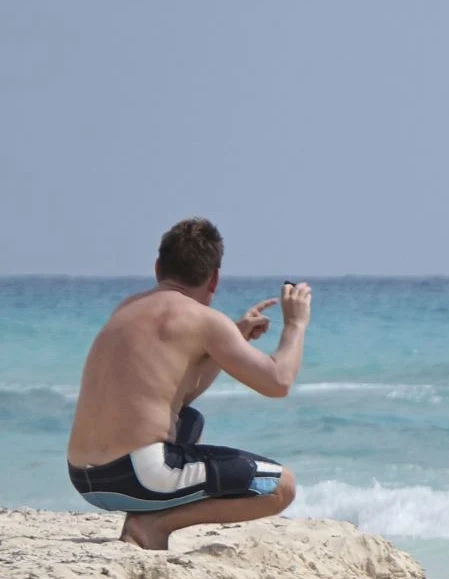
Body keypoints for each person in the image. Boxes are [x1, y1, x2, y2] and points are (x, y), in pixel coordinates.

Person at [67, 218, 311, 550]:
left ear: (158, 268)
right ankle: (153, 524)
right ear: (214, 279)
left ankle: (147, 515)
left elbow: (177, 394)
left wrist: (232, 340)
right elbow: (278, 382)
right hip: (138, 477)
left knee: (190, 419)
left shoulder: (127, 308)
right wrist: (295, 324)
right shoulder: (204, 320)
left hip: (85, 477)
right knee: (281, 487)